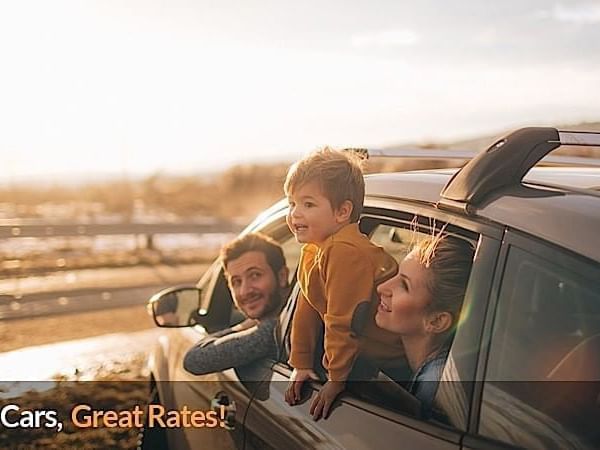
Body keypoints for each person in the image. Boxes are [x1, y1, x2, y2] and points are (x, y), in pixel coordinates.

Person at [283, 148, 404, 420]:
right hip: (367, 359)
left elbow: (343, 320)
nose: (295, 214)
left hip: (392, 363)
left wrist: (335, 379)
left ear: (342, 212)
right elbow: (308, 307)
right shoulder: (315, 249)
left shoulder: (344, 251)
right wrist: (301, 363)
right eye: (292, 203)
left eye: (308, 204)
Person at [375, 234, 474, 417]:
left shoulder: (433, 388)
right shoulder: (443, 369)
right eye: (396, 274)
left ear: (436, 321)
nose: (382, 287)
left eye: (404, 285)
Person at [183, 232, 290, 375]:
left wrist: (244, 326)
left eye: (255, 275)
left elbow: (194, 360)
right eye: (236, 282)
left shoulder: (277, 330)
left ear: (282, 276)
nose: (245, 291)